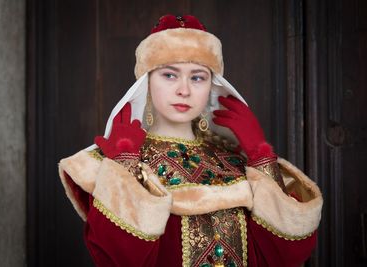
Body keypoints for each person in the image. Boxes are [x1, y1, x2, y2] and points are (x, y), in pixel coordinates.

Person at [58, 14, 323, 267]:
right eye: (169, 75)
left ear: (211, 85)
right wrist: (125, 165)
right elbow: (118, 258)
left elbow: (286, 255)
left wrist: (260, 154)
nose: (184, 90)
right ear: (147, 82)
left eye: (197, 77)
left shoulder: (233, 161)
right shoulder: (119, 162)